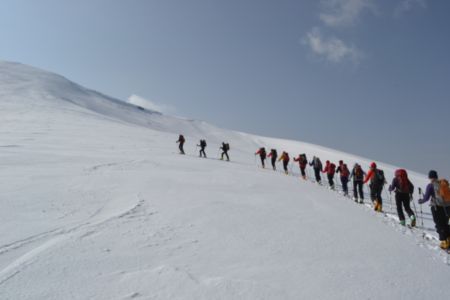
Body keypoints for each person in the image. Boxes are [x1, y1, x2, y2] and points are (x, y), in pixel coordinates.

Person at [418, 170, 450, 249]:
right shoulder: (443, 184)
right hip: (447, 207)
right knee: (445, 224)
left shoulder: (430, 185)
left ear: (429, 177)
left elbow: (426, 198)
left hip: (436, 208)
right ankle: (448, 238)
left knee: (439, 224)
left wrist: (421, 201)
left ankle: (444, 242)